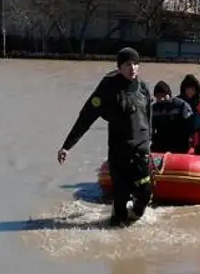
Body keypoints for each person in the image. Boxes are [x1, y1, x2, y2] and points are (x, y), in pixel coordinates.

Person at [56, 47, 153, 228]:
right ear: (119, 67)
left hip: (141, 151)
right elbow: (86, 117)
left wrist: (150, 141)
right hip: (119, 152)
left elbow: (149, 116)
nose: (132, 68)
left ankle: (134, 216)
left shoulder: (144, 89)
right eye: (127, 64)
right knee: (121, 200)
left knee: (145, 192)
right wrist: (67, 146)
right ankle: (118, 229)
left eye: (135, 64)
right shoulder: (108, 89)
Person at [151, 81, 194, 154]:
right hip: (161, 143)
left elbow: (191, 124)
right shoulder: (153, 109)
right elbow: (150, 128)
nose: (161, 99)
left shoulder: (181, 106)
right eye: (158, 96)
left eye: (163, 96)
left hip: (179, 142)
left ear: (169, 94)